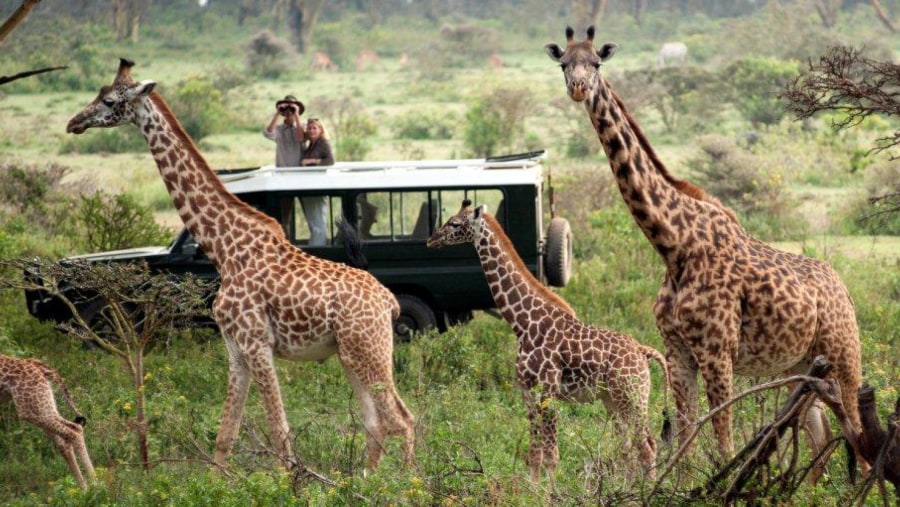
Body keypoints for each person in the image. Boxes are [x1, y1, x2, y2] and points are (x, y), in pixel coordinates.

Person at [299, 118, 334, 246]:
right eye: (310, 128)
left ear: (320, 129)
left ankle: (318, 253)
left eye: (315, 128)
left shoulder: (323, 142)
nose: (312, 130)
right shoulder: (311, 144)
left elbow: (330, 160)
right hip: (309, 186)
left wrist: (310, 162)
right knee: (314, 223)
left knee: (318, 223)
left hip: (317, 186)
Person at [263, 95, 305, 167]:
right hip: (282, 168)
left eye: (292, 108)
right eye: (286, 108)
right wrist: (278, 113)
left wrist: (296, 114)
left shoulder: (304, 126)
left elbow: (301, 137)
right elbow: (268, 133)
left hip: (299, 168)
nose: (289, 111)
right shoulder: (278, 128)